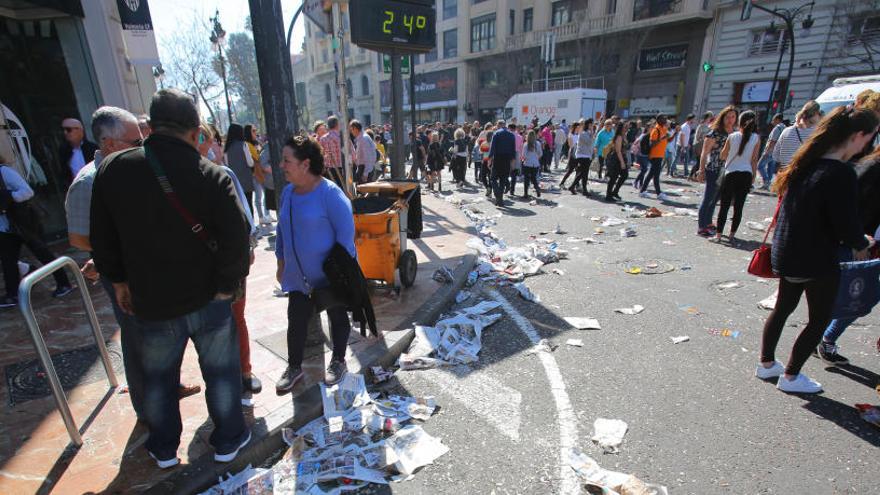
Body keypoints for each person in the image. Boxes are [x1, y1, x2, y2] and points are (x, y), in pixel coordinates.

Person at [90, 88, 251, 467]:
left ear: (151, 125)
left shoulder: (114, 170)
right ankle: (228, 439)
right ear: (195, 131)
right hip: (210, 299)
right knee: (221, 374)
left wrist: (118, 282)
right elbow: (236, 239)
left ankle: (164, 449)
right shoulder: (211, 175)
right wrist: (228, 288)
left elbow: (102, 238)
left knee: (159, 379)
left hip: (151, 301)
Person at [757, 106, 877, 394]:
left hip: (787, 253)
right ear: (858, 135)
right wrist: (863, 242)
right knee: (820, 319)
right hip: (816, 259)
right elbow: (845, 224)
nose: (868, 145)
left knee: (783, 308)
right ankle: (791, 376)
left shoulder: (806, 163)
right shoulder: (840, 173)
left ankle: (766, 364)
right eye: (869, 138)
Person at [274, 135, 356, 393]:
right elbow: (281, 230)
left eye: (287, 160)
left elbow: (346, 239)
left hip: (328, 276)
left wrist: (341, 275)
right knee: (295, 320)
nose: (281, 165)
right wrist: (281, 262)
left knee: (337, 316)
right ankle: (294, 367)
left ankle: (339, 360)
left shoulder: (331, 194)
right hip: (299, 277)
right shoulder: (288, 192)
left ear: (305, 164)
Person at [196, 122, 262, 401]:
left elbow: (245, 220)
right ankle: (224, 382)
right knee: (207, 329)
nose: (204, 144)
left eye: (206, 138)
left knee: (235, 318)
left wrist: (247, 249)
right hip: (197, 271)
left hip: (228, 266)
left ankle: (244, 372)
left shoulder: (222, 174)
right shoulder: (168, 178)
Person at [814, 146, 880, 365]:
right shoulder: (871, 167)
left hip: (864, 241)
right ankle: (823, 338)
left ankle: (821, 337)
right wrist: (857, 242)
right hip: (863, 243)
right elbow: (851, 208)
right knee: (857, 295)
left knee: (859, 295)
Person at [0, 153, 73, 308]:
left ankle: (64, 283)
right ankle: (12, 295)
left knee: (43, 253)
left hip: (22, 223)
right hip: (5, 228)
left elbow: (27, 191)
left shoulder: (4, 172)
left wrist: (8, 196)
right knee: (8, 261)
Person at [712, 110, 760, 245]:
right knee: (738, 207)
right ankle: (732, 235)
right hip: (746, 174)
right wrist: (753, 177)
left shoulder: (732, 136)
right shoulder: (756, 138)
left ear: (740, 121)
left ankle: (718, 235)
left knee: (724, 206)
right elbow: (754, 160)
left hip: (731, 173)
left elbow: (723, 155)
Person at [696, 106, 737, 237]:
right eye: (728, 116)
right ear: (722, 117)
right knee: (709, 197)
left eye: (733, 116)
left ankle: (708, 223)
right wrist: (701, 170)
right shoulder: (715, 132)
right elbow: (704, 152)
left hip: (727, 170)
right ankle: (702, 226)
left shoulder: (735, 133)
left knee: (715, 198)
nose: (730, 119)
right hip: (713, 168)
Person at [772, 100, 822, 170]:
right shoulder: (816, 133)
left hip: (784, 175)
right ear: (816, 115)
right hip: (802, 175)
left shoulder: (786, 131)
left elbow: (775, 156)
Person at [59, 118, 98, 189]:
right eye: (63, 130)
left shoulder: (93, 148)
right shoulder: (64, 151)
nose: (65, 133)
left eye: (68, 130)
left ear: (80, 131)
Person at [225, 123, 255, 216]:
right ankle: (252, 226)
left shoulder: (226, 149)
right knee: (249, 202)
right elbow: (250, 163)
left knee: (240, 204)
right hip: (246, 179)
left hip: (234, 181)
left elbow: (227, 164)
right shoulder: (243, 145)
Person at [639, 114, 671, 200]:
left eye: (666, 118)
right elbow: (652, 144)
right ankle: (659, 193)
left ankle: (642, 191)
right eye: (664, 119)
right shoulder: (656, 130)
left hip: (660, 155)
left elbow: (667, 140)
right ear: (659, 120)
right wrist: (663, 138)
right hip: (655, 155)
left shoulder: (664, 129)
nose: (665, 120)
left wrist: (674, 133)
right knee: (656, 175)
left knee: (651, 174)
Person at [245, 125, 270, 225]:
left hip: (261, 172)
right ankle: (261, 217)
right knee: (258, 196)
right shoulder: (247, 144)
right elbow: (257, 157)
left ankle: (267, 214)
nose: (256, 132)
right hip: (256, 173)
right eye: (253, 131)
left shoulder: (256, 143)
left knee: (266, 193)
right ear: (248, 133)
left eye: (256, 130)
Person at [488, 120, 516, 206]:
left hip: (497, 158)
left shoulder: (496, 133)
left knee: (493, 178)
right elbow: (513, 150)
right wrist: (512, 162)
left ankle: (497, 194)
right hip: (507, 159)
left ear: (499, 125)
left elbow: (492, 147)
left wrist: (489, 159)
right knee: (503, 179)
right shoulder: (511, 135)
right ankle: (500, 199)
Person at [757, 113, 785, 190]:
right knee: (770, 167)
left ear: (777, 120)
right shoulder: (785, 128)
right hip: (777, 152)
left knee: (759, 165)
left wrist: (767, 151)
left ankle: (766, 181)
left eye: (773, 119)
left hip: (771, 151)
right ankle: (767, 184)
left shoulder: (777, 128)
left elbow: (772, 141)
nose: (772, 121)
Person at [569, 119, 594, 195]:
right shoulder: (583, 133)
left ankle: (581, 189)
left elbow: (591, 143)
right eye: (591, 125)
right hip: (582, 155)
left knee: (584, 173)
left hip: (587, 155)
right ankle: (575, 187)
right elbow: (589, 142)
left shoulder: (588, 133)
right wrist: (592, 134)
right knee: (583, 172)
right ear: (588, 125)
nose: (592, 126)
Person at [604, 122, 628, 202]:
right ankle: (608, 195)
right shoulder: (619, 137)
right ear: (621, 128)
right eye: (625, 126)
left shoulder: (623, 136)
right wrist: (622, 162)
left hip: (621, 158)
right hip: (616, 159)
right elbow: (618, 151)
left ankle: (614, 192)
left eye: (627, 126)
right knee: (614, 177)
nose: (627, 128)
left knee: (624, 175)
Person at [319, 116, 344, 188]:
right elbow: (352, 153)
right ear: (337, 125)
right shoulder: (343, 137)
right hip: (343, 168)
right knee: (343, 189)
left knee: (332, 189)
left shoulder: (323, 139)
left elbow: (321, 155)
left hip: (329, 170)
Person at [690, 111, 714, 180]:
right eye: (710, 117)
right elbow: (697, 137)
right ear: (707, 117)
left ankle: (692, 175)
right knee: (699, 161)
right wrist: (704, 137)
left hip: (704, 145)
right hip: (698, 145)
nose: (711, 118)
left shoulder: (709, 126)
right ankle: (694, 176)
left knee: (699, 161)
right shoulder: (701, 125)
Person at [350, 120, 375, 185]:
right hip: (363, 168)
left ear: (355, 129)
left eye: (351, 130)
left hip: (365, 169)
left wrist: (365, 173)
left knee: (364, 191)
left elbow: (368, 157)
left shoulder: (364, 139)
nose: (351, 132)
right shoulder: (362, 138)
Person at [559, 122, 581, 188]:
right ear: (574, 128)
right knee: (570, 170)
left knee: (578, 170)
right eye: (577, 127)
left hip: (579, 154)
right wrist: (577, 145)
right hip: (573, 154)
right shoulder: (570, 135)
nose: (578, 129)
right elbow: (570, 145)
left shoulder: (579, 135)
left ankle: (577, 184)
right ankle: (562, 183)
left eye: (579, 127)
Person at [521, 130, 542, 199]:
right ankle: (537, 188)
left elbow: (524, 155)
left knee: (526, 179)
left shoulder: (526, 144)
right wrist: (536, 158)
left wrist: (523, 159)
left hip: (527, 163)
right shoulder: (538, 143)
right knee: (533, 178)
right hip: (535, 164)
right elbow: (541, 154)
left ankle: (525, 193)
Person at [510, 123, 524, 196]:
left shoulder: (508, 135)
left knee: (506, 172)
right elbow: (521, 148)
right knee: (514, 174)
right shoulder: (519, 137)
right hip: (517, 154)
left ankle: (506, 186)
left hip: (508, 154)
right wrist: (521, 157)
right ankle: (512, 190)